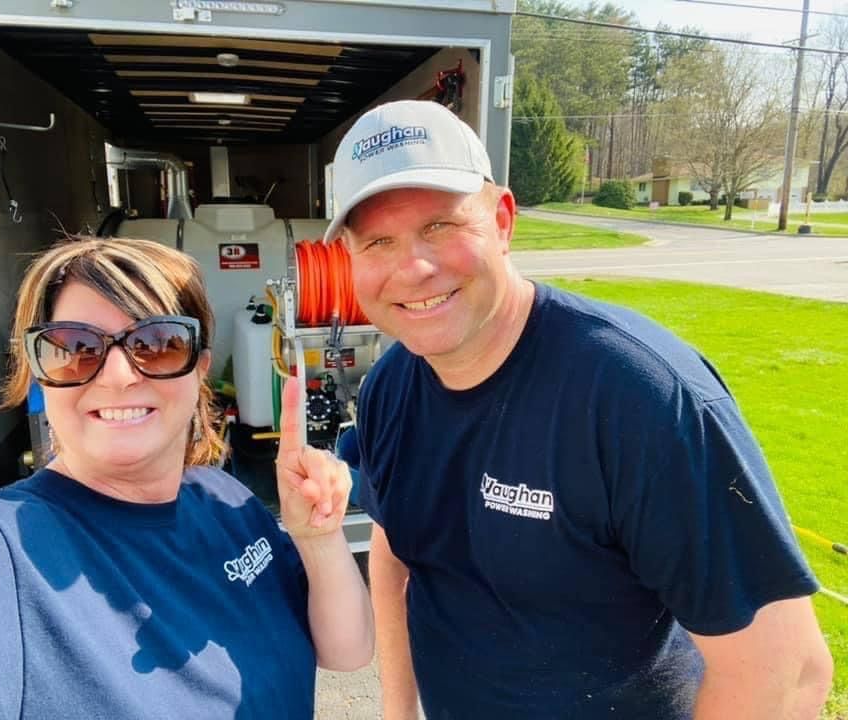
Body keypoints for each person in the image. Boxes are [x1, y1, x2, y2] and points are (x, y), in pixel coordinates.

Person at [323, 99, 833, 719]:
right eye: (378, 241)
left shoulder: (637, 395)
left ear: (503, 221)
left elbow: (786, 674)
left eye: (440, 227)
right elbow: (393, 545)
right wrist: (399, 711)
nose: (415, 269)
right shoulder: (390, 387)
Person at [0, 237, 373, 719]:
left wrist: (318, 540)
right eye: (76, 348)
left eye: (157, 344)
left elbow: (348, 653)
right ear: (39, 373)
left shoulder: (228, 500)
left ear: (199, 367)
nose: (118, 375)